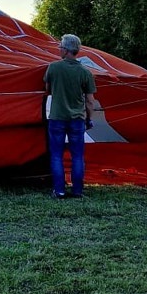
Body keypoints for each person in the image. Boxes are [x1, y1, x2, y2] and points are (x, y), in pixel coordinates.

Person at [44, 33, 98, 198]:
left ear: (66, 50)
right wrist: (89, 119)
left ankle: (59, 191)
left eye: (60, 47)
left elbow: (47, 89)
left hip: (57, 118)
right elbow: (90, 101)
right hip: (77, 120)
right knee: (77, 156)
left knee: (56, 155)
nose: (59, 49)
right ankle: (77, 191)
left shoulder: (53, 67)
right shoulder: (85, 72)